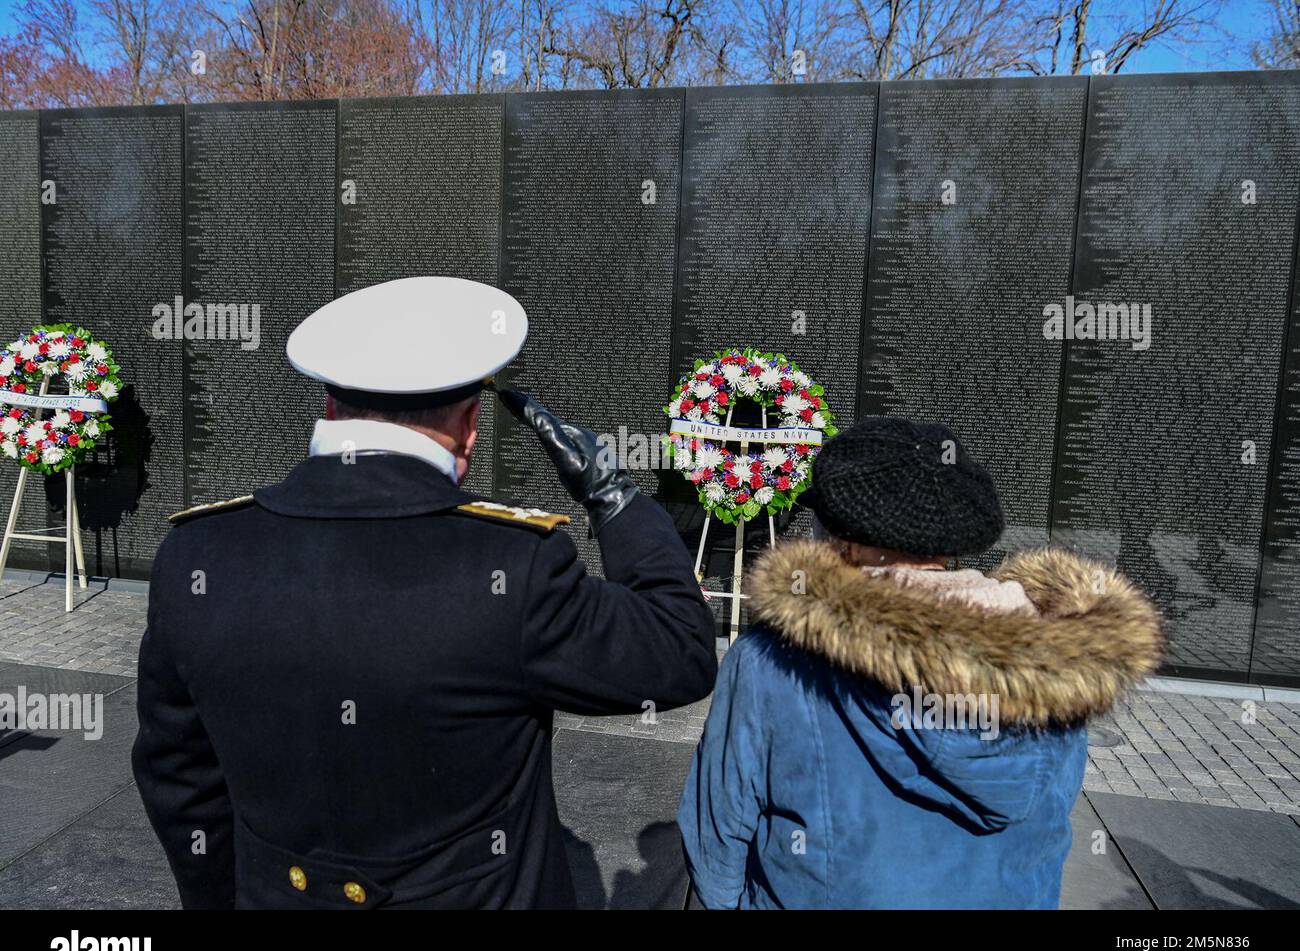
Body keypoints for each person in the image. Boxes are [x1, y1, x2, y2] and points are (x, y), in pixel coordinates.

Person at [133, 276, 717, 909]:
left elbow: (179, 777)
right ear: (469, 430)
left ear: (329, 409)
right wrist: (614, 496)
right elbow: (679, 650)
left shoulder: (197, 555)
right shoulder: (515, 566)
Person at [678, 416, 1163, 909]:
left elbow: (717, 834)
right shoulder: (1060, 661)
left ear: (843, 540)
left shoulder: (769, 662)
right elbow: (1049, 820)